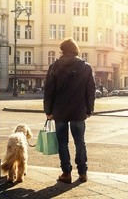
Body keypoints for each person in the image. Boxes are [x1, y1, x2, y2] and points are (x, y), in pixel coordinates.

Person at [44, 37, 95, 184]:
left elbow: (49, 90)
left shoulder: (54, 67)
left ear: (62, 51)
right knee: (80, 143)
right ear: (75, 50)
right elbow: (90, 90)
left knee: (62, 143)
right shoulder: (86, 67)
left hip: (59, 111)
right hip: (79, 110)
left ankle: (66, 173)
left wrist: (48, 110)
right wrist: (89, 109)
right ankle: (83, 173)